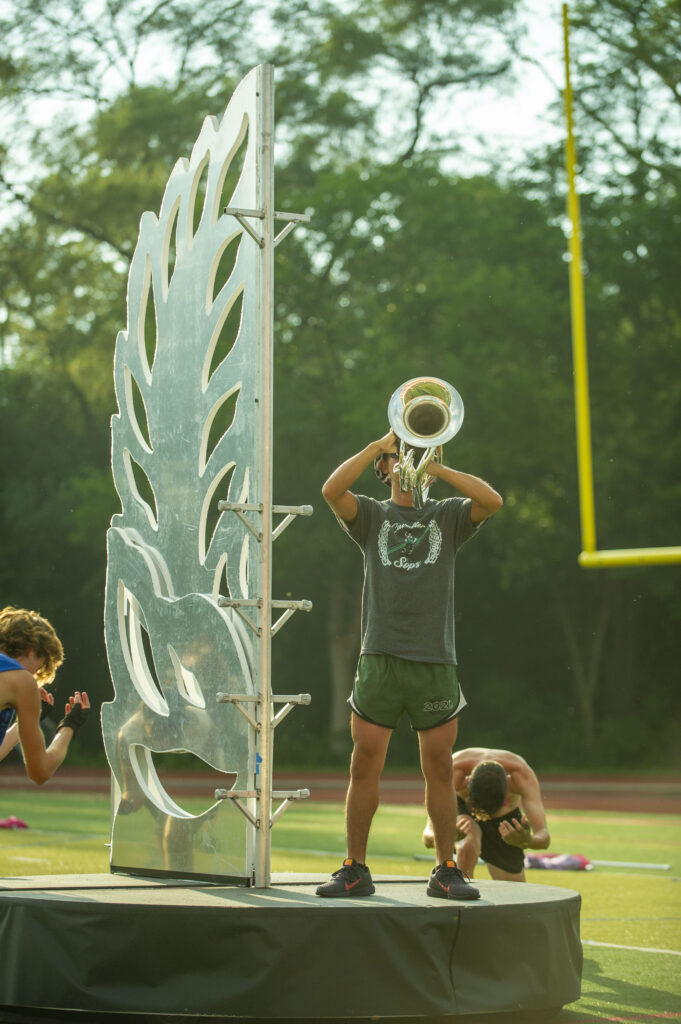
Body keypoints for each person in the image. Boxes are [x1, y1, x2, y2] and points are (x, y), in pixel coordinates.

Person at [317, 428, 502, 899]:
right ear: (383, 468)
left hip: (434, 660)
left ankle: (445, 870)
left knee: (439, 768)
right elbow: (331, 491)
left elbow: (493, 501)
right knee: (365, 763)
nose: (406, 459)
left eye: (415, 453)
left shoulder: (448, 515)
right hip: (379, 656)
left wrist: (436, 468)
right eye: (399, 454)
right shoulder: (373, 515)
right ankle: (355, 868)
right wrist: (375, 446)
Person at [422, 747, 551, 881]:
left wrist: (527, 840)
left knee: (513, 892)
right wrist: (446, 836)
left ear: (507, 790)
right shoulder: (452, 773)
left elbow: (544, 838)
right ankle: (459, 888)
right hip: (464, 813)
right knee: (468, 839)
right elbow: (427, 836)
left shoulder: (521, 776)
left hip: (503, 823)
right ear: (467, 782)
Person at [0, 605, 90, 783]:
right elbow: (40, 771)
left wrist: (22, 726)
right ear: (32, 649)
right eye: (39, 667)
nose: (34, 675)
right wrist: (69, 725)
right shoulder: (21, 680)